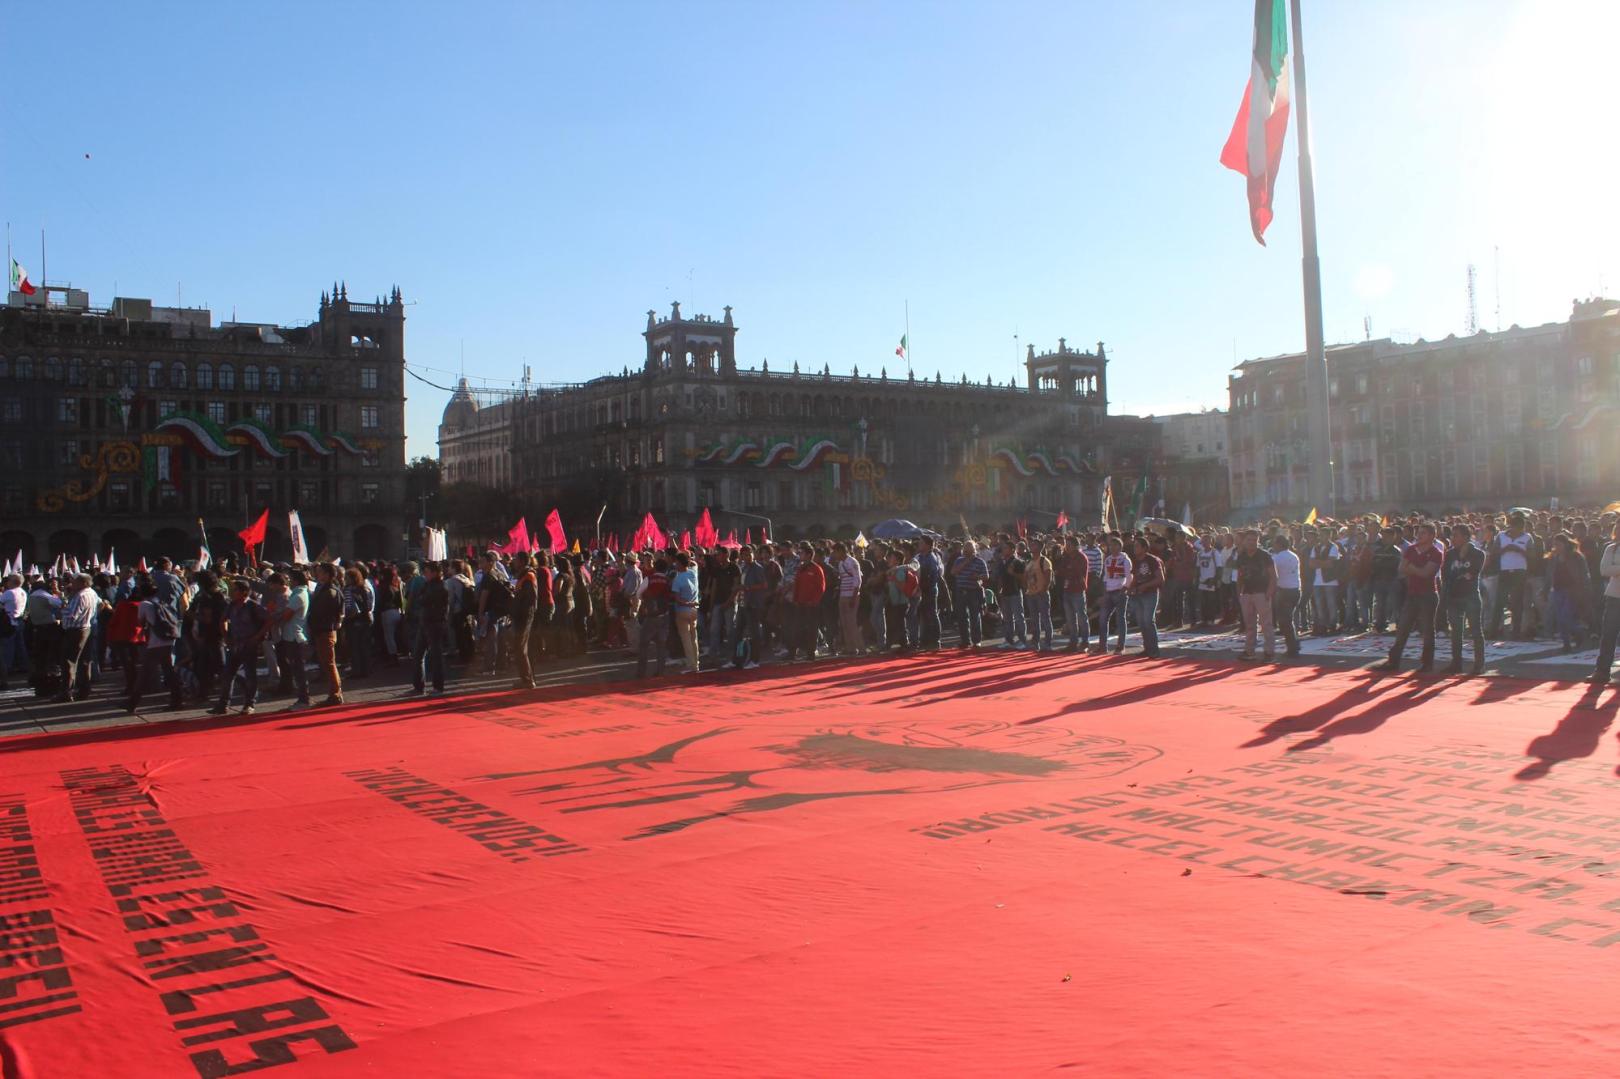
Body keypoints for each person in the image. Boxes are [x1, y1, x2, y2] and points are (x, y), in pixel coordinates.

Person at [1376, 522, 1444, 673]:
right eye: (1419, 532)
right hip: (1412, 593)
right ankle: (1393, 661)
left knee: (1427, 630)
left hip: (1428, 595)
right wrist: (1415, 569)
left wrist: (1411, 568)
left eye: (1423, 533)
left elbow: (1426, 573)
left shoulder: (1436, 553)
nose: (1419, 535)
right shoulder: (1411, 549)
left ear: (1432, 536)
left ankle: (1427, 663)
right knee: (1403, 628)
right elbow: (1401, 568)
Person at [127, 579, 184, 714]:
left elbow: (140, 622)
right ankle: (177, 699)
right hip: (168, 639)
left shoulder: (144, 604)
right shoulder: (160, 602)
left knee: (145, 672)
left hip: (155, 642)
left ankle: (132, 702)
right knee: (168, 671)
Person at [213, 579, 268, 715]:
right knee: (228, 674)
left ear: (244, 592)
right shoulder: (231, 605)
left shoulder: (253, 606)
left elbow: (268, 620)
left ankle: (249, 704)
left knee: (250, 674)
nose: (233, 592)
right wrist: (226, 636)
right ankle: (223, 704)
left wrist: (257, 637)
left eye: (236, 590)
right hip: (234, 644)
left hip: (248, 644)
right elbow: (223, 620)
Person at [1442, 523, 1487, 675]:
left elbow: (1472, 573)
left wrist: (1461, 561)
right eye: (1452, 535)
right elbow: (1446, 575)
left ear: (1466, 537)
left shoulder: (1478, 554)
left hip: (1470, 596)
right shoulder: (1450, 554)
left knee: (1475, 631)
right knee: (1456, 632)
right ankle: (1456, 663)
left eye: (1456, 535)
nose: (1452, 538)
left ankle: (1479, 664)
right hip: (1454, 596)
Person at [55, 574, 104, 702]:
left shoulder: (80, 596)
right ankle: (84, 690)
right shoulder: (92, 593)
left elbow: (72, 614)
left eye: (74, 581)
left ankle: (66, 692)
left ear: (82, 583)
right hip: (86, 627)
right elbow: (101, 604)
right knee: (85, 661)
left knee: (69, 662)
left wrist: (62, 607)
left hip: (75, 630)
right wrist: (92, 617)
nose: (72, 583)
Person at [268, 571, 312, 709]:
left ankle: (304, 699)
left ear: (296, 581)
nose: (289, 582)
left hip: (294, 636)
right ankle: (302, 698)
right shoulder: (298, 594)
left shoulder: (298, 595)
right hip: (292, 635)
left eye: (291, 579)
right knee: (297, 669)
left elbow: (287, 615)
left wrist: (276, 614)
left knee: (298, 670)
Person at [1231, 530, 1276, 661]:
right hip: (1246, 593)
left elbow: (1273, 576)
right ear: (1244, 541)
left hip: (1262, 593)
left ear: (1258, 541)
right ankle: (1249, 651)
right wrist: (1239, 593)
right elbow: (1240, 575)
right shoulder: (1242, 556)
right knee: (1249, 624)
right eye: (1249, 540)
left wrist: (1269, 592)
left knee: (1266, 624)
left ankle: (1269, 652)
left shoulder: (1265, 555)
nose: (1251, 543)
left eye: (1254, 540)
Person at [411, 561, 452, 695]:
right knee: (418, 654)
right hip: (425, 621)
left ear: (434, 573)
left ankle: (437, 686)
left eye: (427, 572)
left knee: (436, 656)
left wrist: (423, 599)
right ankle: (418, 686)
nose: (425, 574)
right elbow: (420, 598)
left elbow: (424, 600)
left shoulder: (440, 586)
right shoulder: (428, 584)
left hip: (435, 623)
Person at [308, 563, 345, 706]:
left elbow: (324, 612)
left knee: (329, 663)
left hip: (325, 629)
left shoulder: (330, 591)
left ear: (327, 574)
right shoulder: (325, 589)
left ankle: (335, 694)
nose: (317, 574)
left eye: (320, 572)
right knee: (327, 663)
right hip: (322, 629)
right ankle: (335, 692)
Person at [1549, 533, 1591, 653]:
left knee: (1565, 617)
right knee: (1560, 618)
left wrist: (1584, 589)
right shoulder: (1555, 557)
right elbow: (1550, 574)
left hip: (1572, 590)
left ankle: (1579, 632)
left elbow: (1584, 574)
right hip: (1557, 590)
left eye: (1558, 544)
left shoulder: (1576, 556)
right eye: (1555, 544)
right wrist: (1546, 588)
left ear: (1565, 544)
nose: (1556, 546)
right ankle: (1566, 643)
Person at [1591, 521, 1620, 686]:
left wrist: (1615, 568)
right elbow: (1604, 570)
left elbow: (1611, 569)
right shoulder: (1611, 548)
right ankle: (1602, 671)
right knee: (1608, 635)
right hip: (1614, 596)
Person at [1125, 537, 1163, 658]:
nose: (1135, 548)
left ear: (1145, 548)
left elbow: (1160, 578)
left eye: (1137, 546)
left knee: (1148, 621)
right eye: (1134, 546)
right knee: (1141, 622)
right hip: (1138, 594)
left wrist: (1145, 586)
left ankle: (1154, 650)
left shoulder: (1152, 560)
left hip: (1150, 594)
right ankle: (1147, 648)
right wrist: (1130, 588)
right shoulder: (1135, 561)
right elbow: (1135, 577)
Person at [636, 557, 672, 678]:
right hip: (664, 615)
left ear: (655, 568)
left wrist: (646, 602)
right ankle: (660, 671)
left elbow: (638, 593)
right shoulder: (668, 580)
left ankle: (641, 672)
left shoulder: (649, 579)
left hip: (651, 616)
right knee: (662, 645)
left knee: (643, 644)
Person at [950, 541, 988, 650]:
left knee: (975, 616)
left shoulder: (980, 562)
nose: (967, 552)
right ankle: (965, 640)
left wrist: (977, 577)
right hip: (961, 590)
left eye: (970, 550)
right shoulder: (959, 560)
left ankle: (977, 641)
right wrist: (966, 562)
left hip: (974, 591)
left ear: (974, 550)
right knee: (962, 617)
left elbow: (986, 576)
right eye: (966, 549)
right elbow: (953, 572)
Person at [508, 551, 539, 689]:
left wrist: (519, 610)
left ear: (521, 561)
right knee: (520, 647)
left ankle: (527, 680)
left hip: (524, 616)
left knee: (520, 647)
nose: (513, 562)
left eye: (515, 559)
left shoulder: (528, 576)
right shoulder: (523, 576)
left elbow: (530, 599)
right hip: (521, 615)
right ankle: (526, 678)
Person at [1056, 536, 1090, 652]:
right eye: (1066, 544)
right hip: (1067, 589)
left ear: (1075, 546)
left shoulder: (1081, 557)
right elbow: (1060, 571)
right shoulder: (1065, 558)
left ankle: (1085, 642)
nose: (1067, 547)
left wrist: (1067, 569)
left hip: (1078, 589)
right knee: (1070, 619)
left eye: (1069, 545)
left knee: (1081, 617)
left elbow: (1076, 571)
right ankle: (1073, 642)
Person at [1269, 535, 1300, 658]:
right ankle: (1294, 643)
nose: (1273, 546)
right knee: (1288, 619)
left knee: (1285, 621)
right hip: (1295, 589)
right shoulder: (1294, 555)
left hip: (1284, 591)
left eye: (1275, 543)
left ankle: (1293, 647)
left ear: (1279, 544)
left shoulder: (1277, 558)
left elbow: (1270, 572)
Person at [670, 551, 701, 673]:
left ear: (679, 563)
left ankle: (691, 665)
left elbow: (677, 599)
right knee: (694, 638)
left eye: (676, 562)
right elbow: (694, 563)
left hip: (683, 610)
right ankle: (696, 663)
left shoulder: (677, 579)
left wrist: (687, 603)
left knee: (686, 639)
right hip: (694, 610)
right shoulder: (693, 573)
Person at [342, 565, 375, 680]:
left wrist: (348, 617)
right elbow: (369, 606)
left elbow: (348, 607)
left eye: (347, 577)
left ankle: (357, 670)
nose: (345, 579)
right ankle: (366, 669)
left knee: (355, 647)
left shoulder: (349, 590)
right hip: (365, 620)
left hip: (354, 621)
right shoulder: (365, 589)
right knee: (364, 646)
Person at [1024, 540, 1055, 652]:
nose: (1031, 547)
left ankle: (1047, 643)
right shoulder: (1029, 561)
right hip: (1031, 593)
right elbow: (1026, 576)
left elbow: (1048, 578)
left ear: (1040, 547)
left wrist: (1043, 590)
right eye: (1031, 545)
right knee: (1034, 620)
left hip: (1041, 593)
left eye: (1034, 545)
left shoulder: (1044, 561)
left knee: (1045, 618)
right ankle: (1035, 642)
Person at [915, 536, 944, 651]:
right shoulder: (920, 557)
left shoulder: (931, 558)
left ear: (927, 545)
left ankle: (936, 641)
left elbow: (933, 576)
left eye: (921, 543)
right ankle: (925, 640)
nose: (919, 544)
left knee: (932, 615)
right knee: (924, 616)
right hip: (922, 589)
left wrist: (924, 587)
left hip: (929, 590)